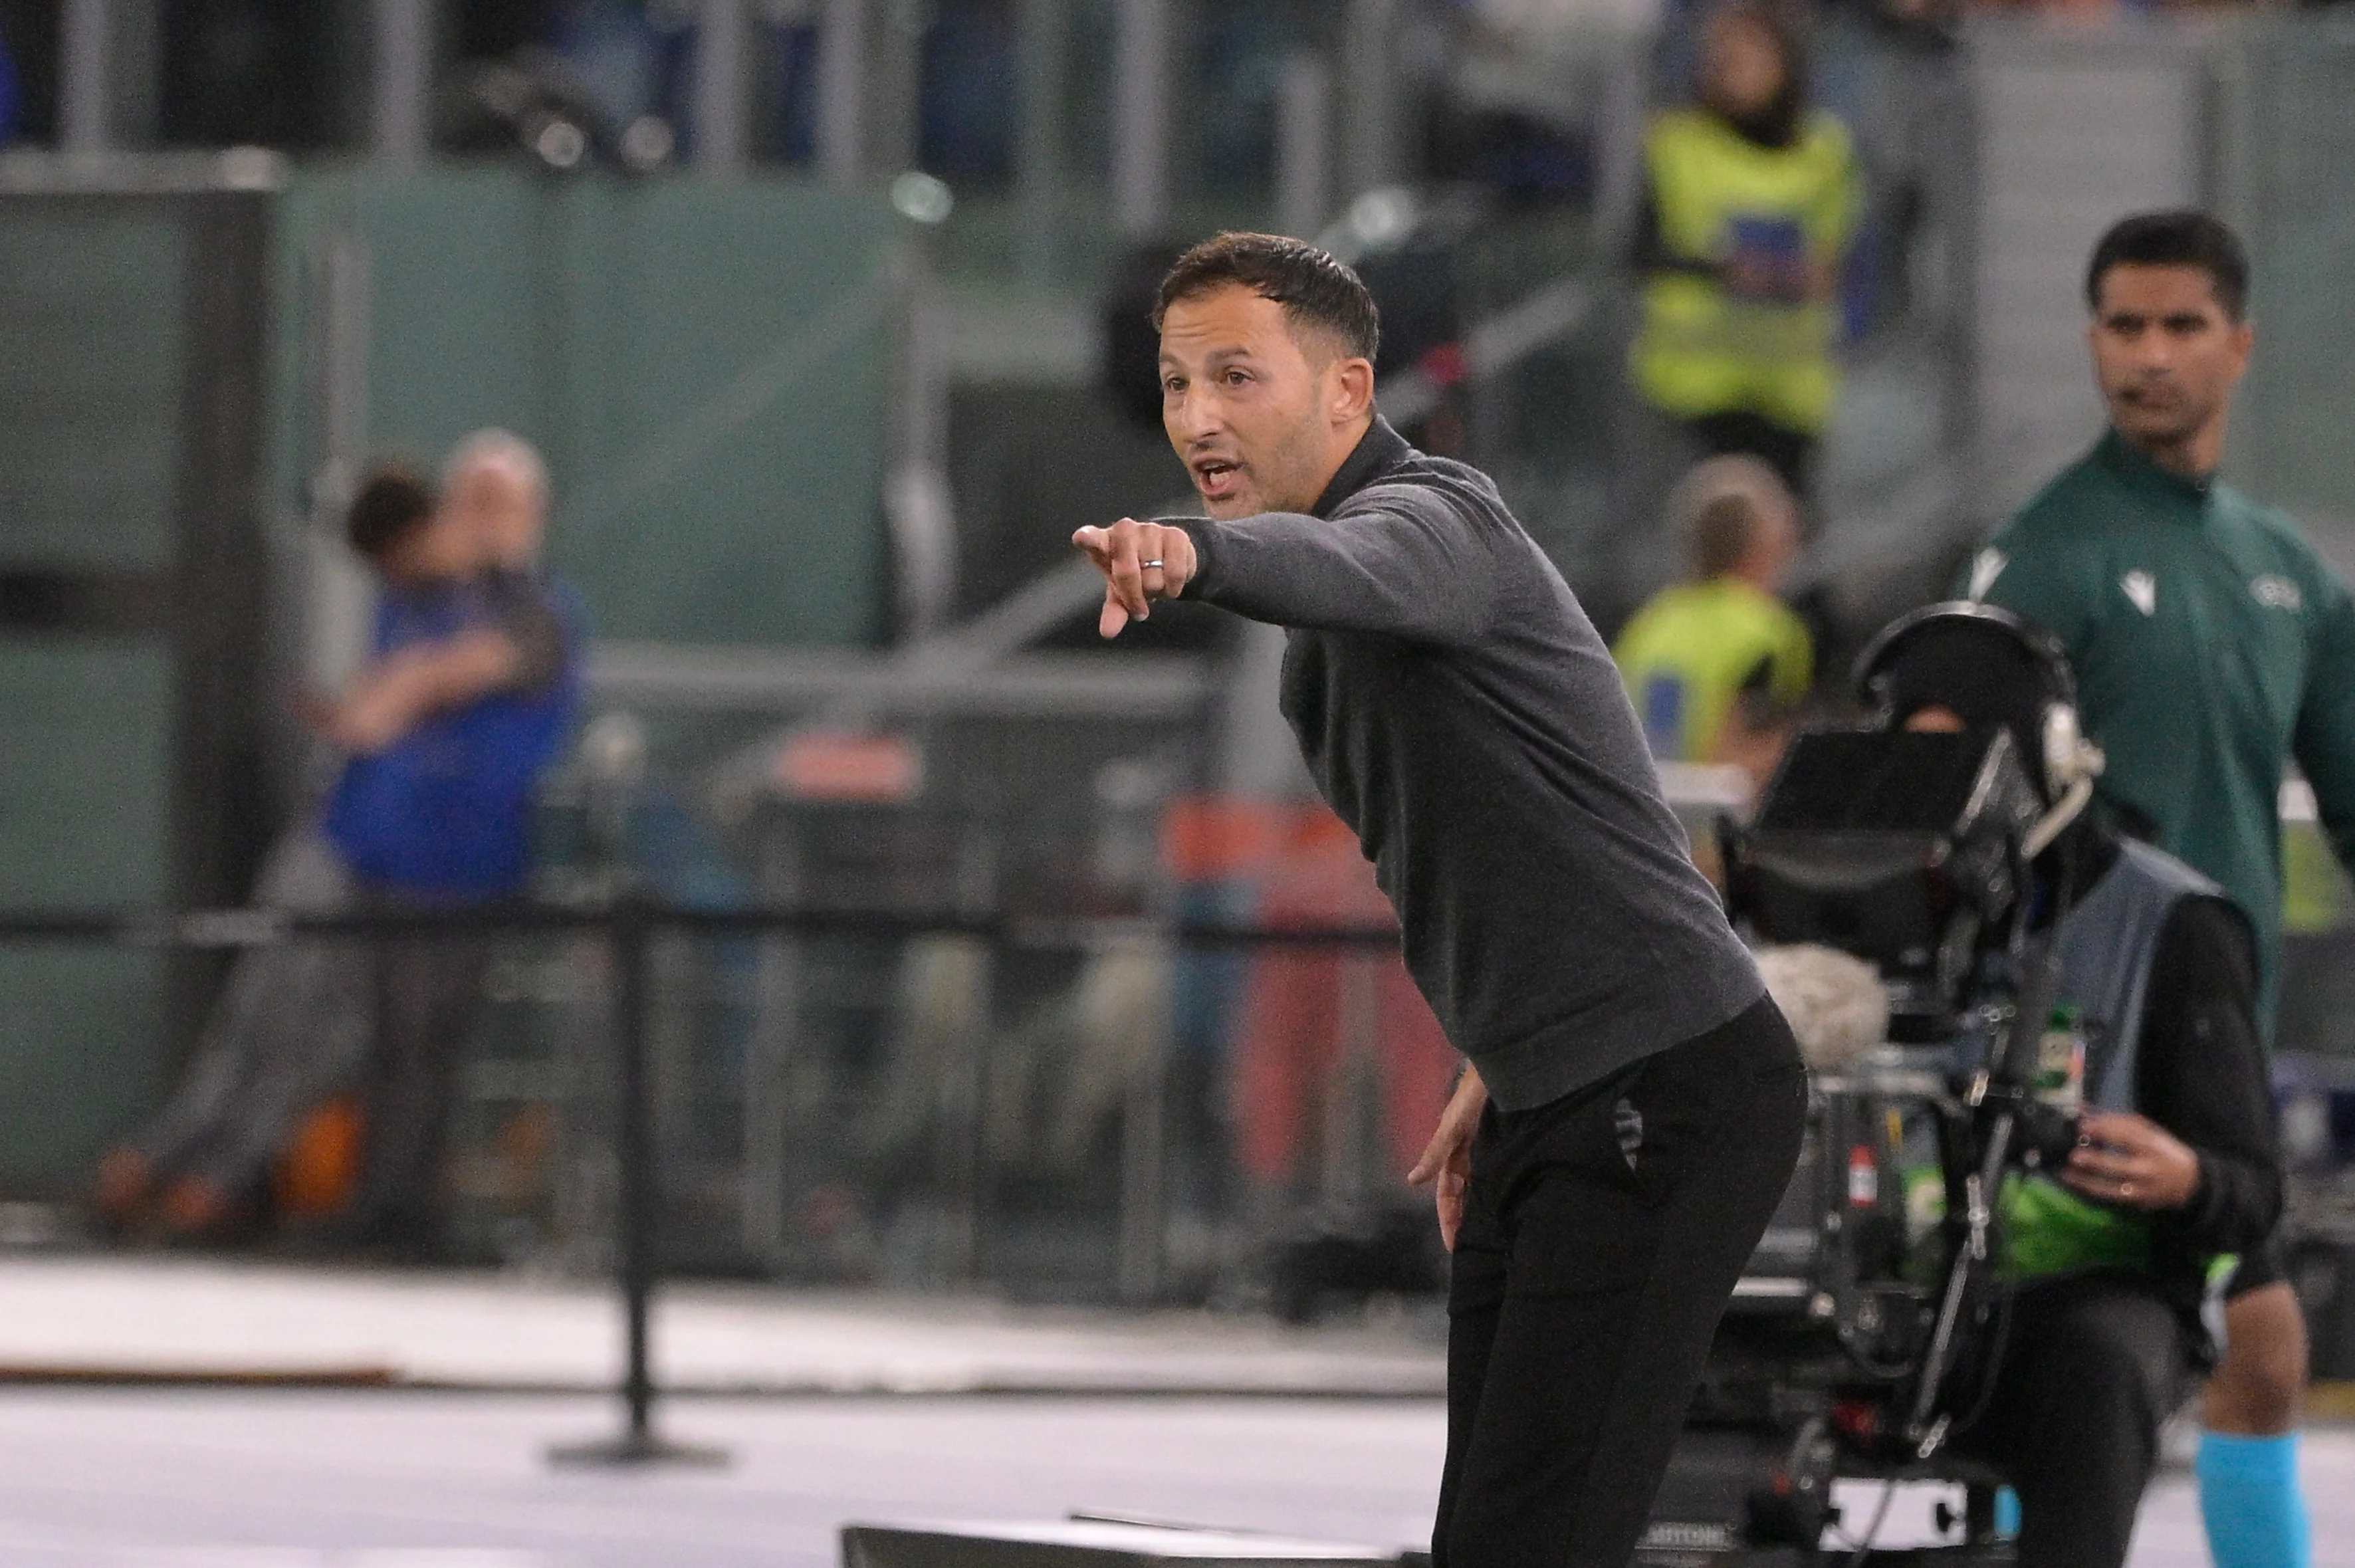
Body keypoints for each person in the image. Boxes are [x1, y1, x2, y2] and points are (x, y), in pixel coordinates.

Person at [1071, 231, 1805, 1567]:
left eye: (1237, 376)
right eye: (1177, 384)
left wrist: (1186, 559)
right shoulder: (1322, 655)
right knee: (1489, 1538)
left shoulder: (1436, 521)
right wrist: (1501, 1045)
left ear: (1349, 393)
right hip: (1549, 1082)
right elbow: (1499, 848)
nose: (1198, 418)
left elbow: (1349, 567)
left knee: (1539, 1540)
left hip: (1671, 1081)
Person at [1962, 209, 2355, 1568]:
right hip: (2077, 1028)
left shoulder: (2288, 571)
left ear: (2236, 345)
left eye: (2179, 325)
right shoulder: (2040, 558)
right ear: (2089, 343)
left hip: (2213, 1038)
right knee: (2177, 1349)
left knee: (2247, 1355)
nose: (2149, 354)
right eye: (2122, 326)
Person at [1856, 602, 2283, 1568]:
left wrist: (2189, 1180)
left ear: (2042, 752)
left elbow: (2253, 1188)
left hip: (2075, 1301)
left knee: (2096, 1364)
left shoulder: (2170, 922)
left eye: (1967, 757)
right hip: (1874, 1295)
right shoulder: (1845, 902)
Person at [92, 469, 480, 1238]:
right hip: (339, 848)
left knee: (313, 1038)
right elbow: (355, 721)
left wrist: (395, 698)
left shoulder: (486, 611)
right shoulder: (397, 607)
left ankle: (202, 1174)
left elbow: (401, 707)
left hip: (399, 870)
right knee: (266, 1018)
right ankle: (169, 1162)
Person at [324, 431, 582, 1252]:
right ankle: (376, 1200)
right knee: (387, 1035)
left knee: (438, 1038)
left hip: (471, 859)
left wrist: (411, 685)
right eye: (469, 503)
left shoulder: (537, 609)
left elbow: (488, 666)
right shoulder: (416, 598)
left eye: (499, 506)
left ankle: (414, 1207)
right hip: (385, 852)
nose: (481, 523)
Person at [1628, 0, 1858, 504]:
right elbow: (1638, 251)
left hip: (1790, 386)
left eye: (1747, 59)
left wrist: (1814, 275)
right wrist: (1720, 269)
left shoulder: (1825, 151)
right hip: (1697, 388)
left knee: (1789, 539)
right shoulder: (1677, 143)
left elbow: (1848, 256)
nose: (1732, 72)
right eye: (1722, 59)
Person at [1612, 453, 1811, 786]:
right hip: (1712, 828)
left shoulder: (1648, 624)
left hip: (1642, 818)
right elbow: (1744, 757)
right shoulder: (1766, 632)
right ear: (1766, 541)